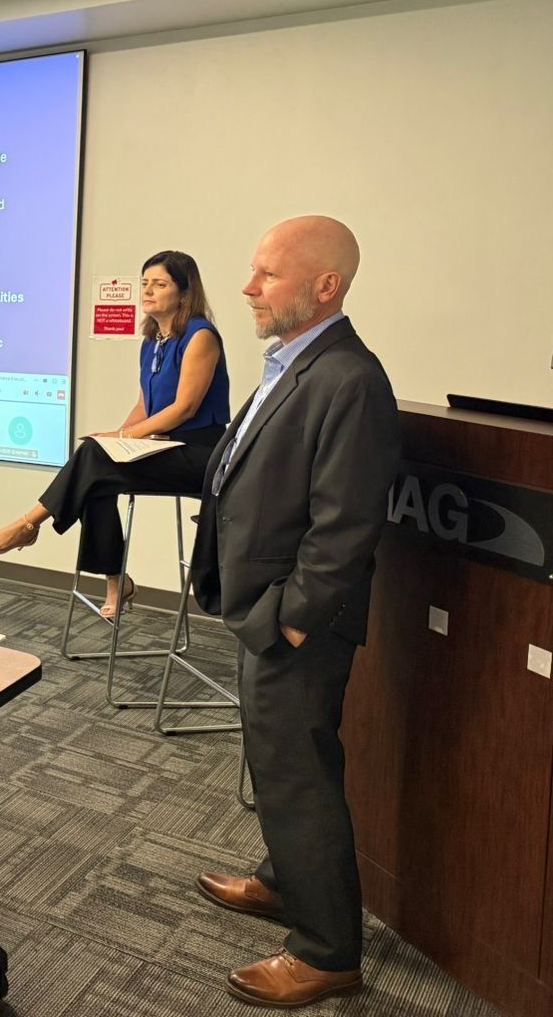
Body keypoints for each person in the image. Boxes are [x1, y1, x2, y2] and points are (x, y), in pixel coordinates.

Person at [188, 215, 399, 1008]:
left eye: (268, 274)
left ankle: (325, 951)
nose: (247, 287)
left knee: (299, 776)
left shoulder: (350, 379)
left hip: (294, 624)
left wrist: (293, 619)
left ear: (326, 286)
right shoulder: (294, 362)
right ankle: (284, 882)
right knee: (277, 764)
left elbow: (346, 523)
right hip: (265, 611)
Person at [0, 250, 231, 618]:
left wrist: (124, 435)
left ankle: (28, 523)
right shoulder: (152, 341)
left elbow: (184, 409)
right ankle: (117, 581)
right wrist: (116, 438)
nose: (147, 291)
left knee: (95, 461)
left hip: (202, 454)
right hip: (166, 447)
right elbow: (145, 405)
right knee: (96, 471)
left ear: (184, 293)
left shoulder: (200, 336)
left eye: (160, 284)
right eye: (145, 283)